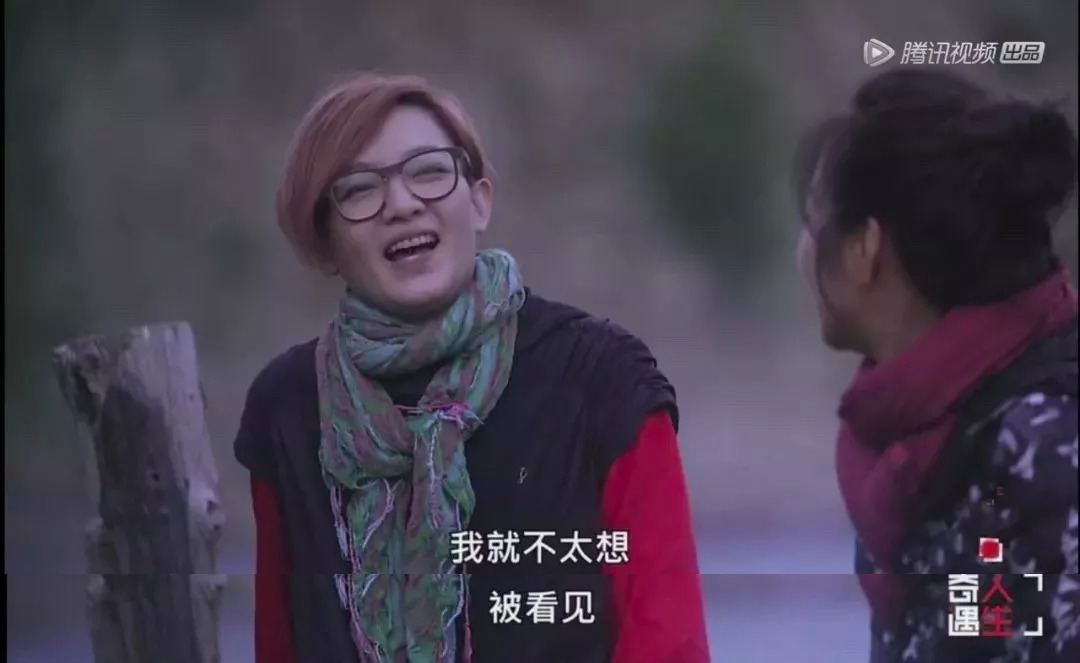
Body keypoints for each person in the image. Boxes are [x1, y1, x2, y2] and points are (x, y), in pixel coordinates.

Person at [233, 72, 710, 663]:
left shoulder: (601, 377)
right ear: (323, 238)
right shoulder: (289, 410)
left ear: (479, 201)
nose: (403, 204)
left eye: (429, 171)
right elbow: (282, 643)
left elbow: (669, 641)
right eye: (359, 189)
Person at [793, 67, 1079, 662]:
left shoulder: (1037, 448)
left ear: (865, 248)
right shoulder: (920, 440)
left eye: (813, 223)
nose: (803, 253)